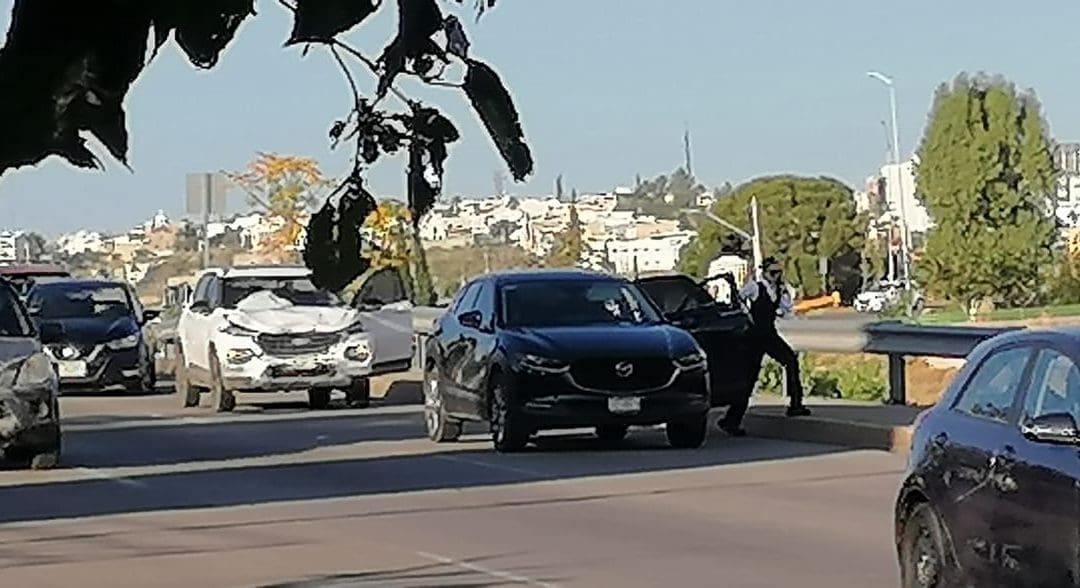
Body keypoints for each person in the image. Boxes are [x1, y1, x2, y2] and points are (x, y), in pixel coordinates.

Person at [718, 256, 811, 437]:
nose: (776, 276)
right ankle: (731, 420)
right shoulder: (755, 287)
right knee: (749, 378)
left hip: (769, 334)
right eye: (773, 273)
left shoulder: (780, 289)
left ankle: (796, 404)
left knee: (791, 360)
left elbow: (786, 311)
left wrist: (783, 303)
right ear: (765, 272)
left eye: (778, 273)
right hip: (754, 337)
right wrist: (746, 315)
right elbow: (738, 300)